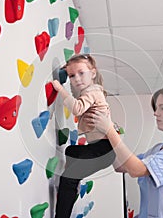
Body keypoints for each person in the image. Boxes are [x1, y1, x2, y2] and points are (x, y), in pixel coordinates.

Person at [85, 85, 163, 218]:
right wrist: (106, 129)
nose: (155, 113)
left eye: (162, 108)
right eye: (156, 108)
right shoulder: (157, 150)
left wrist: (109, 131)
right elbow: (121, 166)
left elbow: (136, 170)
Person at [51, 54, 116, 218]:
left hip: (103, 149)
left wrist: (60, 89)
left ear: (93, 73)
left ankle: (70, 186)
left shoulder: (92, 91)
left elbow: (78, 108)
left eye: (81, 73)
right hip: (98, 148)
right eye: (72, 75)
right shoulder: (91, 90)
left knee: (68, 179)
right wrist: (68, 69)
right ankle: (73, 183)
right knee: (71, 151)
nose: (76, 79)